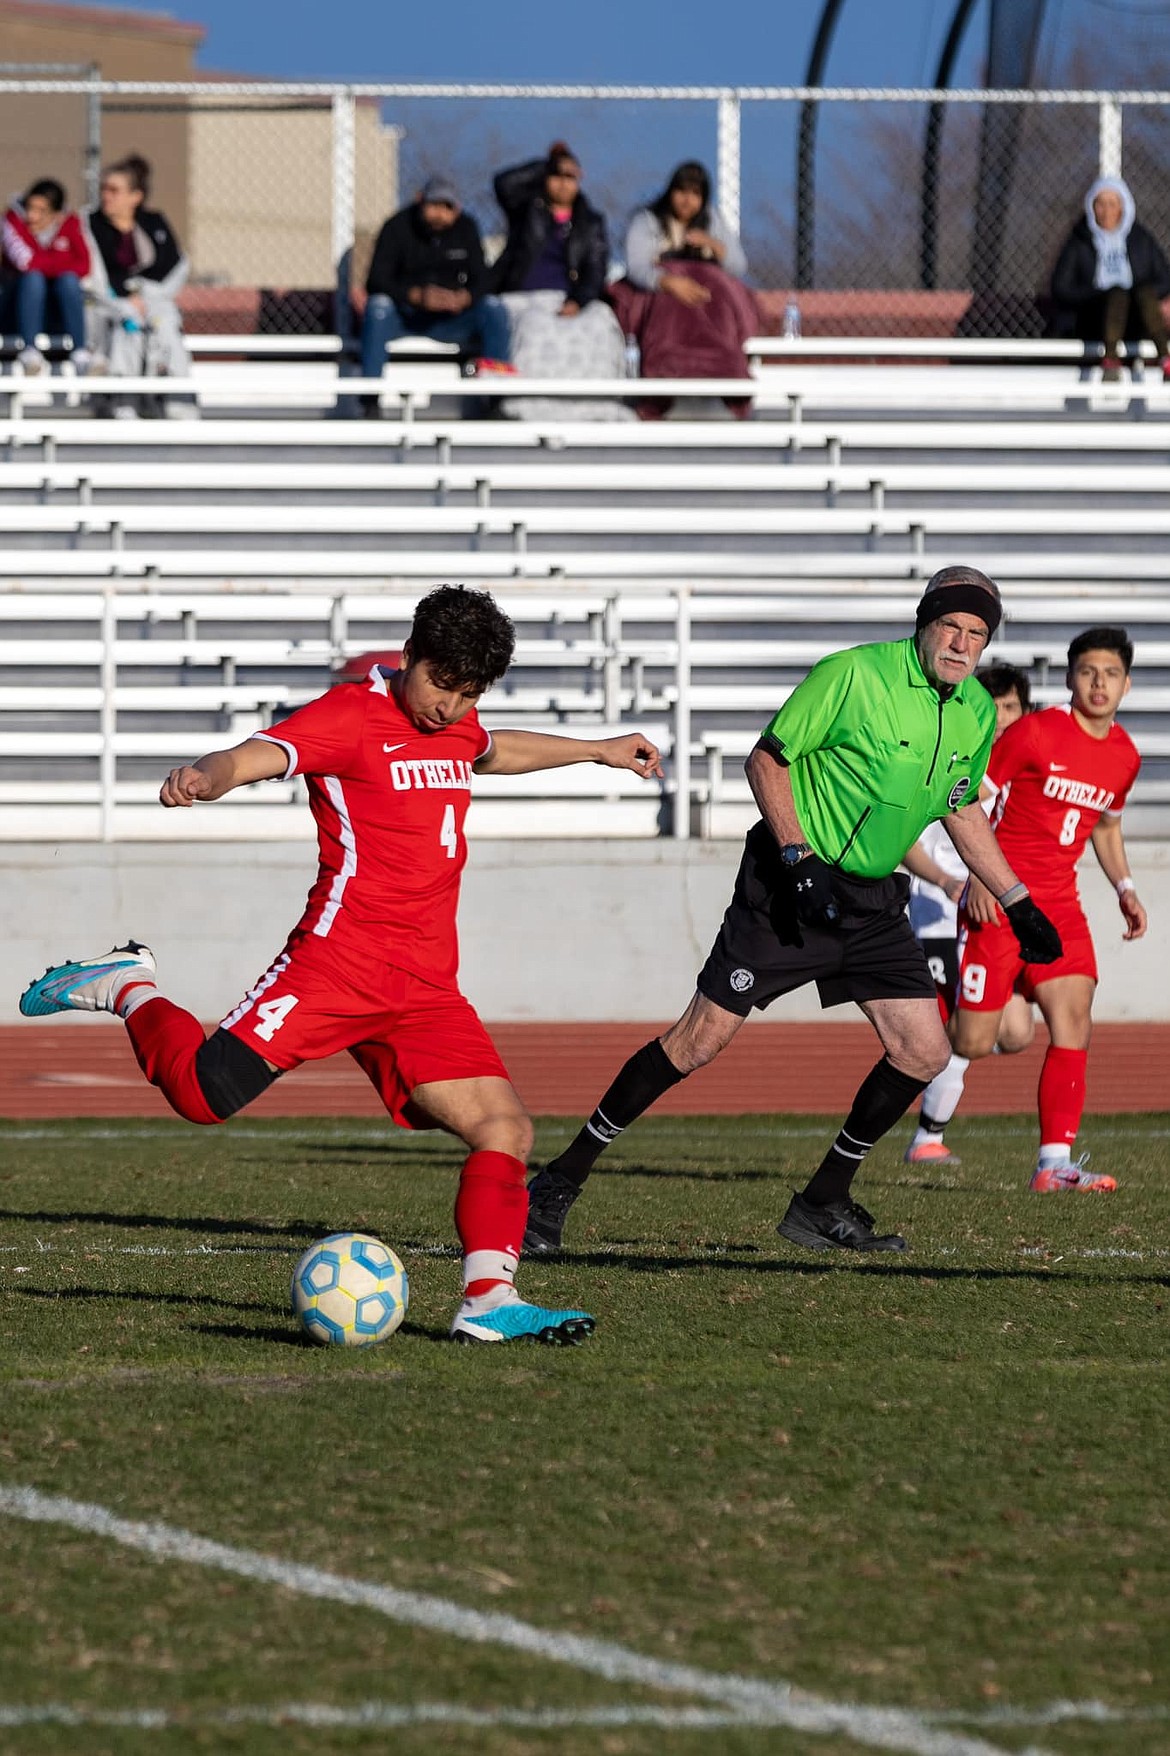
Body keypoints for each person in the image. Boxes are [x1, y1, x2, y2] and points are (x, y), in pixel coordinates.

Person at [19, 585, 665, 1344]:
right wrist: (208, 775)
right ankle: (128, 984)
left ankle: (487, 1300)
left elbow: (497, 749)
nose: (448, 708)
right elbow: (261, 753)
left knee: (504, 1129)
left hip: (425, 986)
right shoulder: (351, 714)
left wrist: (599, 749)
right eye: (439, 686)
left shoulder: (457, 724)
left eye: (467, 695)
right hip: (337, 966)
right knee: (200, 1094)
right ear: (409, 657)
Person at [524, 567, 1062, 1258]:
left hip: (870, 901)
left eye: (977, 634)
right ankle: (559, 1181)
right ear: (925, 624)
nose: (961, 644)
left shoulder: (976, 712)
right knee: (697, 1043)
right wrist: (797, 857)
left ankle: (822, 1202)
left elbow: (959, 804)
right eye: (951, 627)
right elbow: (767, 761)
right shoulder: (852, 675)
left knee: (924, 1050)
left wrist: (1018, 901)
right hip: (789, 886)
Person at [949, 627, 1145, 1193]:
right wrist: (981, 879)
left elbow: (1106, 825)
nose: (1099, 683)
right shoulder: (1035, 734)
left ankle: (1053, 1165)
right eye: (1088, 672)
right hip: (1001, 903)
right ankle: (943, 1004)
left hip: (1060, 906)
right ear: (1069, 678)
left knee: (1074, 1020)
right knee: (982, 1042)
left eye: (1110, 674)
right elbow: (967, 800)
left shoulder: (1126, 756)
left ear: (1126, 684)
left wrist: (1124, 887)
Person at [902, 662, 1034, 1167]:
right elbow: (906, 841)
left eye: (1011, 708)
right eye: (993, 706)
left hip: (991, 916)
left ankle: (925, 1069)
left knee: (1017, 1032)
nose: (1001, 719)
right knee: (957, 1025)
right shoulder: (952, 763)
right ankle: (927, 1138)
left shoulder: (1022, 772)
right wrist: (952, 882)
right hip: (939, 912)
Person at [490, 143, 630, 421]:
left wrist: (578, 301)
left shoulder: (590, 222)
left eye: (571, 176)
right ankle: (527, 404)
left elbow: (595, 269)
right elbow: (503, 183)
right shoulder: (526, 209)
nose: (564, 183)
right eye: (557, 176)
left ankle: (591, 404)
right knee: (535, 330)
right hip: (523, 297)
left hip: (569, 299)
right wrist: (549, 163)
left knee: (600, 326)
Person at [610, 160, 755, 420]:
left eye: (695, 194)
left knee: (719, 295)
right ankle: (664, 381)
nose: (687, 201)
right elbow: (637, 267)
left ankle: (722, 374)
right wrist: (668, 281)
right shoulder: (647, 220)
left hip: (707, 299)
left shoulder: (711, 220)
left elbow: (737, 265)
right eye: (681, 192)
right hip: (660, 295)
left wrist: (711, 243)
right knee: (672, 309)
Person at [359, 176, 511, 415]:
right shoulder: (396, 227)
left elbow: (483, 279)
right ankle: (369, 402)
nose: (440, 213)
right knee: (378, 307)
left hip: (452, 319)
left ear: (457, 208)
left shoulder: (466, 228)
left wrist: (465, 297)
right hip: (405, 319)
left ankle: (496, 401)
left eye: (447, 207)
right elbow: (377, 280)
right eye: (434, 205)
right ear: (420, 201)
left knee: (493, 308)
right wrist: (416, 296)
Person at [82, 153, 194, 418]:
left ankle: (178, 397)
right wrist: (126, 299)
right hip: (107, 305)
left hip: (154, 303)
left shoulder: (153, 223)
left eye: (114, 190)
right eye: (104, 189)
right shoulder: (91, 225)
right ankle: (125, 398)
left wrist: (146, 294)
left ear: (135, 196)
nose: (106, 196)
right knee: (127, 325)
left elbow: (173, 265)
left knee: (165, 324)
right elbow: (95, 276)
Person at [1048, 177, 1170, 382]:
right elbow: (1061, 288)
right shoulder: (1080, 240)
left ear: (1123, 207)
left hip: (1136, 316)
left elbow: (1164, 277)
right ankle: (1111, 361)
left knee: (1143, 292)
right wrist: (1097, 293)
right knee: (1116, 294)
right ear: (1091, 207)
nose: (1106, 211)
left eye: (1112, 204)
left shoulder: (1140, 238)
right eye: (1100, 204)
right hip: (1095, 316)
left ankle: (1164, 357)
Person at [1, 178, 91, 374]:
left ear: (57, 214)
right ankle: (30, 349)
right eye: (29, 207)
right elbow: (25, 262)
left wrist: (49, 264)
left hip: (55, 308)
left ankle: (80, 351)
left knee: (68, 281)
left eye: (41, 211)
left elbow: (84, 265)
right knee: (33, 280)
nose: (32, 216)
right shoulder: (12, 220)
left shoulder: (70, 223)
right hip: (15, 307)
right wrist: (60, 262)